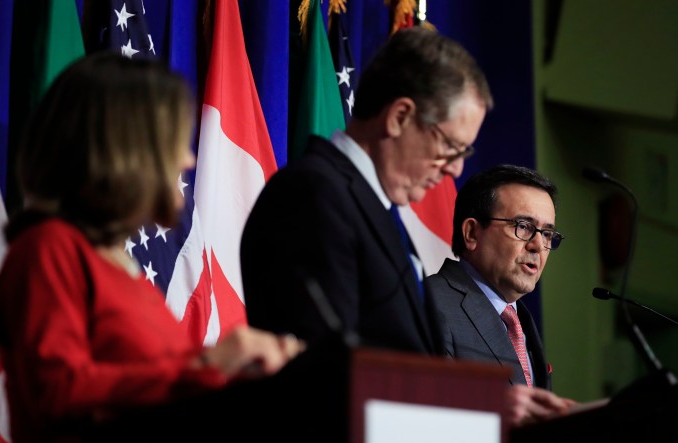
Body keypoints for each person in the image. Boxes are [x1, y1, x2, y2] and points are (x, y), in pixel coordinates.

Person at [241, 27, 571, 426]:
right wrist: (486, 413)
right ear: (400, 117)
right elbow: (321, 380)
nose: (455, 169)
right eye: (450, 147)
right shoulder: (314, 195)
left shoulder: (376, 213)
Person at [0, 53, 302, 443]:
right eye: (173, 144)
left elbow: (157, 393)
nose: (188, 160)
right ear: (125, 151)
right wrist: (210, 363)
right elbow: (58, 391)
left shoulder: (119, 265)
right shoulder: (48, 248)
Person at [425, 164, 577, 423]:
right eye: (523, 226)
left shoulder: (520, 322)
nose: (538, 245)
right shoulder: (431, 302)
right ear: (472, 233)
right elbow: (421, 411)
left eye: (548, 234)